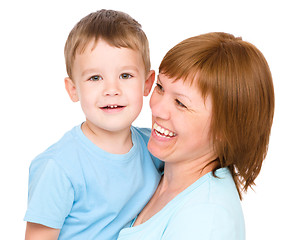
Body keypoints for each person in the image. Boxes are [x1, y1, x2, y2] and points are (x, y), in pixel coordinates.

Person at [117, 32, 274, 240]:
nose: (157, 108)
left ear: (224, 129)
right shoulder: (152, 167)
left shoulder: (206, 220)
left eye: (181, 103)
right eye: (160, 88)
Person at [24, 9, 162, 240]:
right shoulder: (58, 167)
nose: (111, 90)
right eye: (95, 78)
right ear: (73, 89)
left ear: (147, 83)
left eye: (125, 75)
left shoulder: (155, 148)